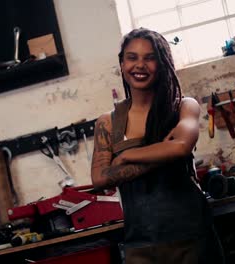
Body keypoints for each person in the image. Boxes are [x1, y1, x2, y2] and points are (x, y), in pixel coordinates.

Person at [91, 28, 225, 263]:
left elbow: (181, 146)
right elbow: (100, 178)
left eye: (150, 57)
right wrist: (163, 152)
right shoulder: (108, 123)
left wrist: (127, 156)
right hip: (141, 245)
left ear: (162, 64)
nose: (140, 65)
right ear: (122, 64)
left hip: (192, 239)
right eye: (132, 57)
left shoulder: (184, 107)